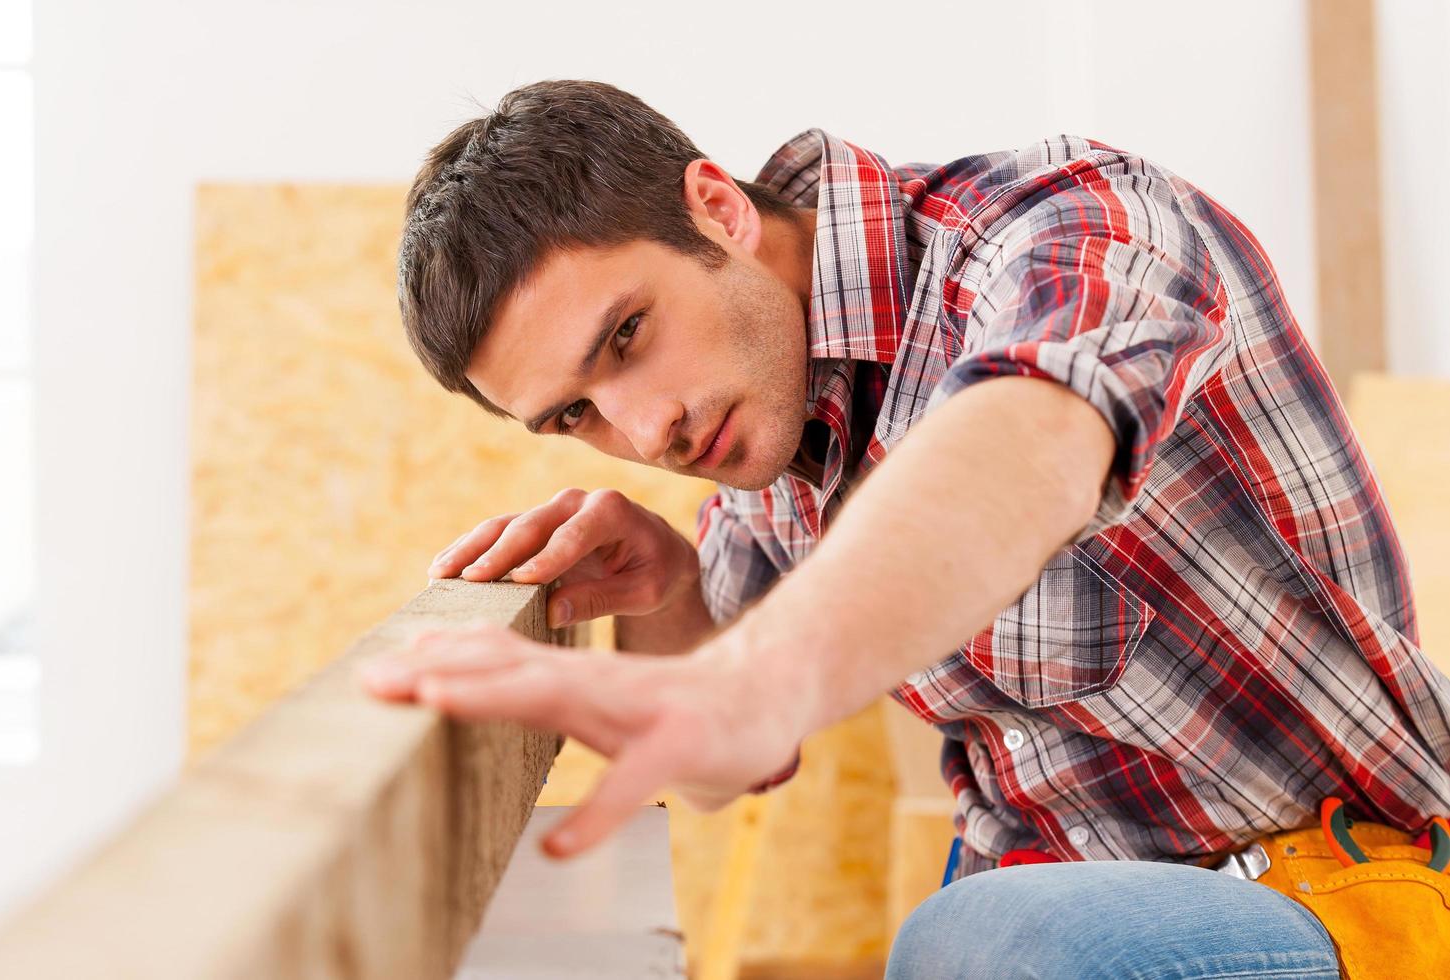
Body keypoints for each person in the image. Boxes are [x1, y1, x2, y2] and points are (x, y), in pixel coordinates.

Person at [358, 79, 1450, 978]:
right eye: (574, 415)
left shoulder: (1066, 223)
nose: (647, 429)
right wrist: (672, 596)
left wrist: (758, 677)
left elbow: (1032, 433)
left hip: (1358, 883)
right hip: (1038, 878)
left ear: (718, 210)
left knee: (985, 945)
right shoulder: (767, 433)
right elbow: (717, 772)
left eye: (629, 335)